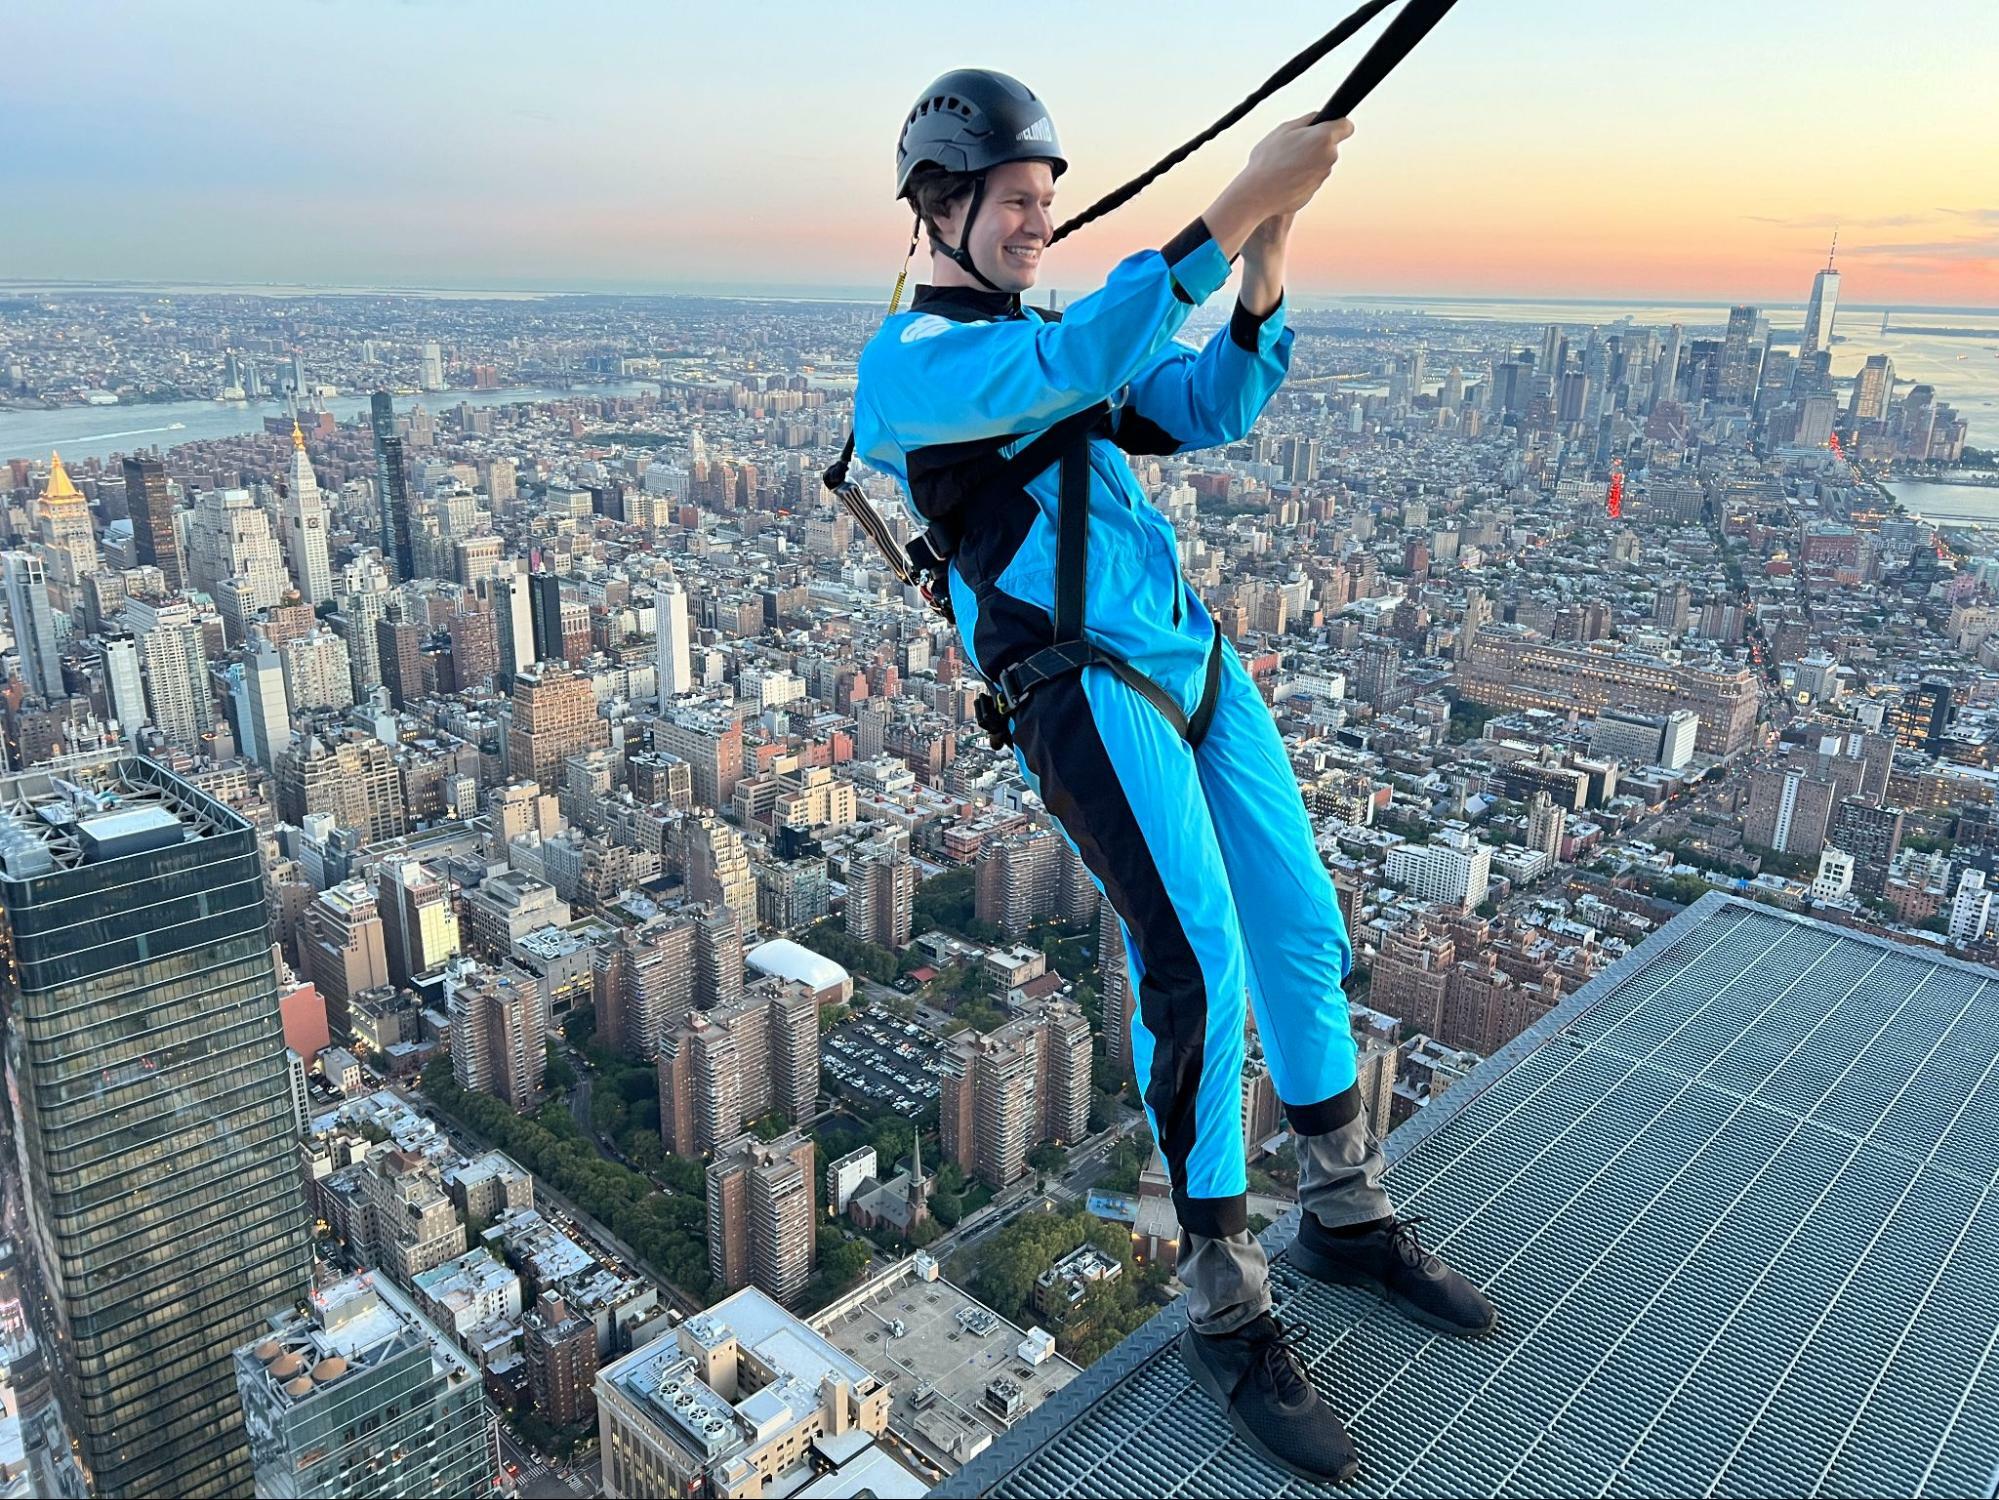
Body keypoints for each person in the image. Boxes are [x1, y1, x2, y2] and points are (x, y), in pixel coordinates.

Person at [852, 69, 1495, 1485]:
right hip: (1080, 682)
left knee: (1296, 923)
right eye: (1018, 201)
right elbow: (1073, 370)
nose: (1039, 222)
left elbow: (1207, 402)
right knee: (1195, 956)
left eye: (1045, 202)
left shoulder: (1046, 334)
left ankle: (1343, 1210)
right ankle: (1224, 1299)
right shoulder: (912, 364)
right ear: (941, 208)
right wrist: (1238, 197)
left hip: (1189, 656)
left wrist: (1268, 260)